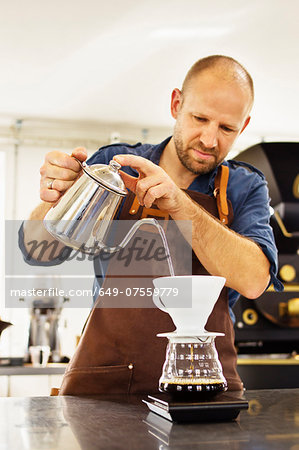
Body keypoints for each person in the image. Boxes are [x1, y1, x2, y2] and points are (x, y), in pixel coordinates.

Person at [19, 55, 283, 395]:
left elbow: (254, 281)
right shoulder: (114, 166)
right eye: (200, 118)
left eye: (226, 128)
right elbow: (38, 251)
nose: (209, 139)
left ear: (243, 127)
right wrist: (55, 198)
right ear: (176, 104)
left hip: (204, 380)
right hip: (106, 383)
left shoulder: (245, 188)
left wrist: (179, 203)